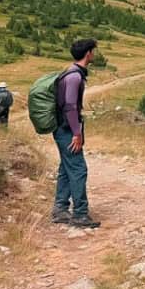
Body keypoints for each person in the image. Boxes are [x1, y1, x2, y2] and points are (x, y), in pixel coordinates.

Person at [52, 39, 101, 228]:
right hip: (67, 129)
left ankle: (60, 209)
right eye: (93, 51)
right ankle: (80, 214)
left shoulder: (70, 72)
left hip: (61, 128)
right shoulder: (75, 77)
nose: (94, 55)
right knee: (79, 169)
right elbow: (71, 106)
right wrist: (76, 133)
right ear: (88, 53)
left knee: (66, 168)